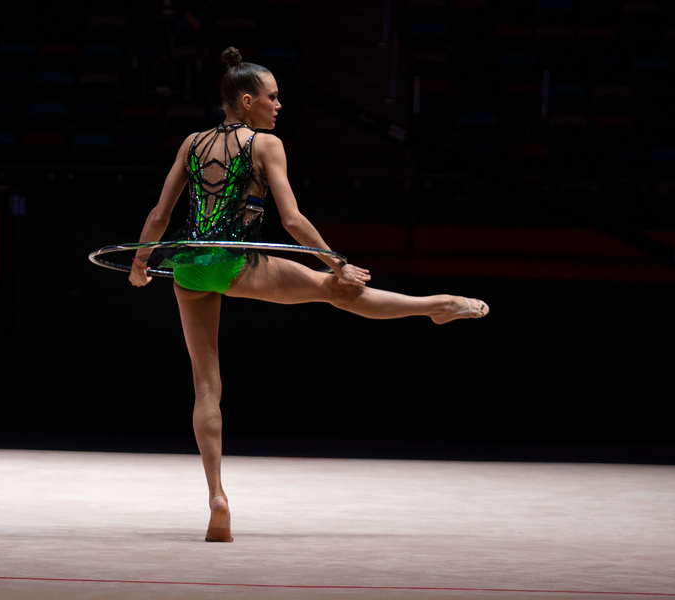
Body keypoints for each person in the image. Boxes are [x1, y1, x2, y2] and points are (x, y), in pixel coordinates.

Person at [129, 47, 488, 542]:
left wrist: (141, 265)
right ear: (248, 100)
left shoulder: (191, 142)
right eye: (273, 98)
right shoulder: (264, 146)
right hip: (237, 263)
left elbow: (159, 214)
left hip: (189, 266)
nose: (279, 106)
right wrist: (337, 263)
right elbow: (293, 221)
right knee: (337, 292)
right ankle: (433, 307)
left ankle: (216, 494)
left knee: (206, 384)